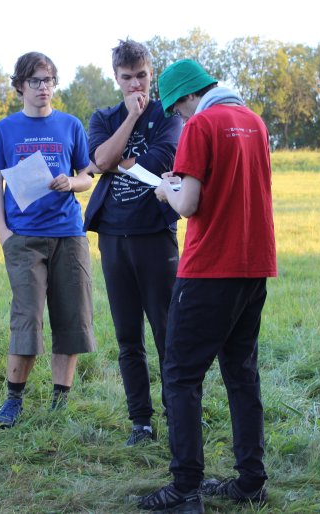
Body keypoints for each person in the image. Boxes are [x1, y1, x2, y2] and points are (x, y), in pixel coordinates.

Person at [134, 59, 277, 513]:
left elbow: (188, 204)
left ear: (186, 98)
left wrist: (165, 190)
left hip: (209, 269)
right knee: (241, 374)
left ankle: (184, 489)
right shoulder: (253, 122)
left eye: (176, 110)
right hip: (253, 267)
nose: (179, 118)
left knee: (180, 376)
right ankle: (251, 480)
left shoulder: (200, 125)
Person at [0, 51, 95, 428]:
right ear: (19, 86)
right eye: (35, 81)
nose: (44, 87)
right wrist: (3, 232)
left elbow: (87, 174)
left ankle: (59, 403)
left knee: (71, 318)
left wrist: (73, 182)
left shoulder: (70, 125)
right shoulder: (4, 129)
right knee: (27, 317)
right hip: (24, 238)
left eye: (48, 80)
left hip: (69, 234)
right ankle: (13, 401)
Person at [84, 39, 183, 446]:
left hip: (155, 238)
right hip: (113, 237)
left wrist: (117, 158)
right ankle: (140, 422)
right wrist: (127, 122)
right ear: (116, 78)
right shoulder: (104, 117)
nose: (136, 85)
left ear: (151, 72)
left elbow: (156, 161)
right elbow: (103, 161)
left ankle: (178, 417)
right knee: (128, 337)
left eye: (142, 75)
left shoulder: (168, 115)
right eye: (127, 78)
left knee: (166, 333)